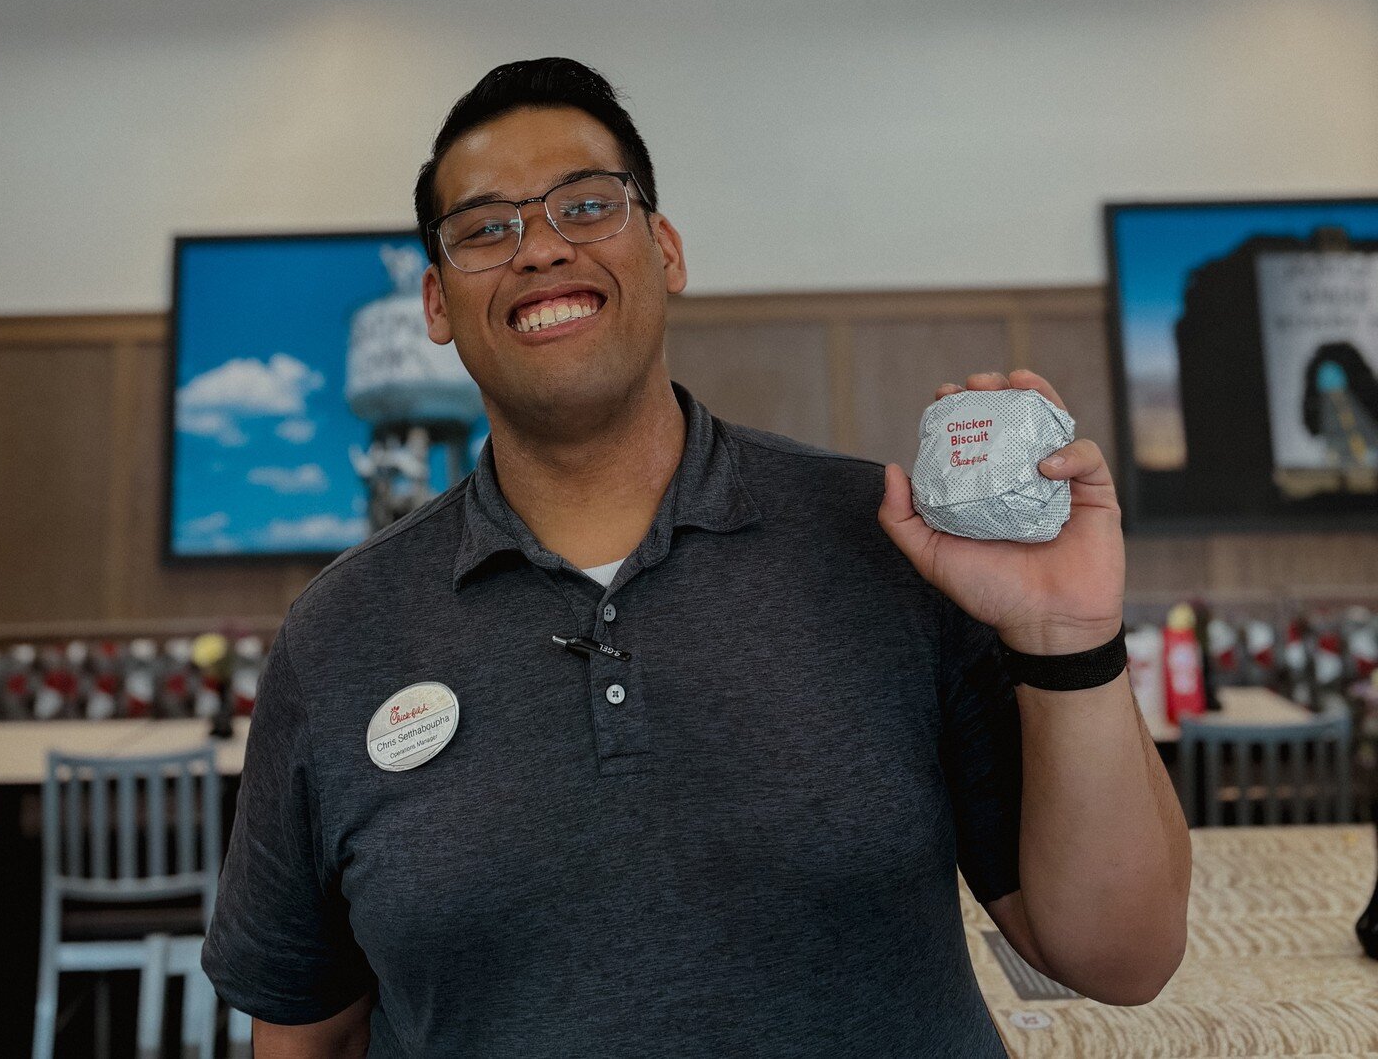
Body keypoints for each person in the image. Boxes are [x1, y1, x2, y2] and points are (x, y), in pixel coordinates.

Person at [202, 57, 1190, 1058]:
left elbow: (1121, 957)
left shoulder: (894, 542)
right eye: (486, 228)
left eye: (586, 206)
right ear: (437, 305)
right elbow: (302, 1035)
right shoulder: (338, 634)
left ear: (664, 248)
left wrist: (1070, 642)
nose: (539, 248)